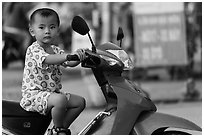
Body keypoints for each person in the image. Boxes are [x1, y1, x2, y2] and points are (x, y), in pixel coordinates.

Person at [20, 8, 86, 135]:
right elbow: (48, 59)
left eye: (52, 27)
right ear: (32, 31)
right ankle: (58, 128)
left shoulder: (56, 50)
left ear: (58, 30)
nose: (47, 31)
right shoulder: (33, 49)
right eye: (41, 27)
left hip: (52, 94)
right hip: (34, 95)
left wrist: (79, 56)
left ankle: (59, 129)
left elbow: (69, 63)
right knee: (60, 100)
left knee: (79, 102)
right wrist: (68, 56)